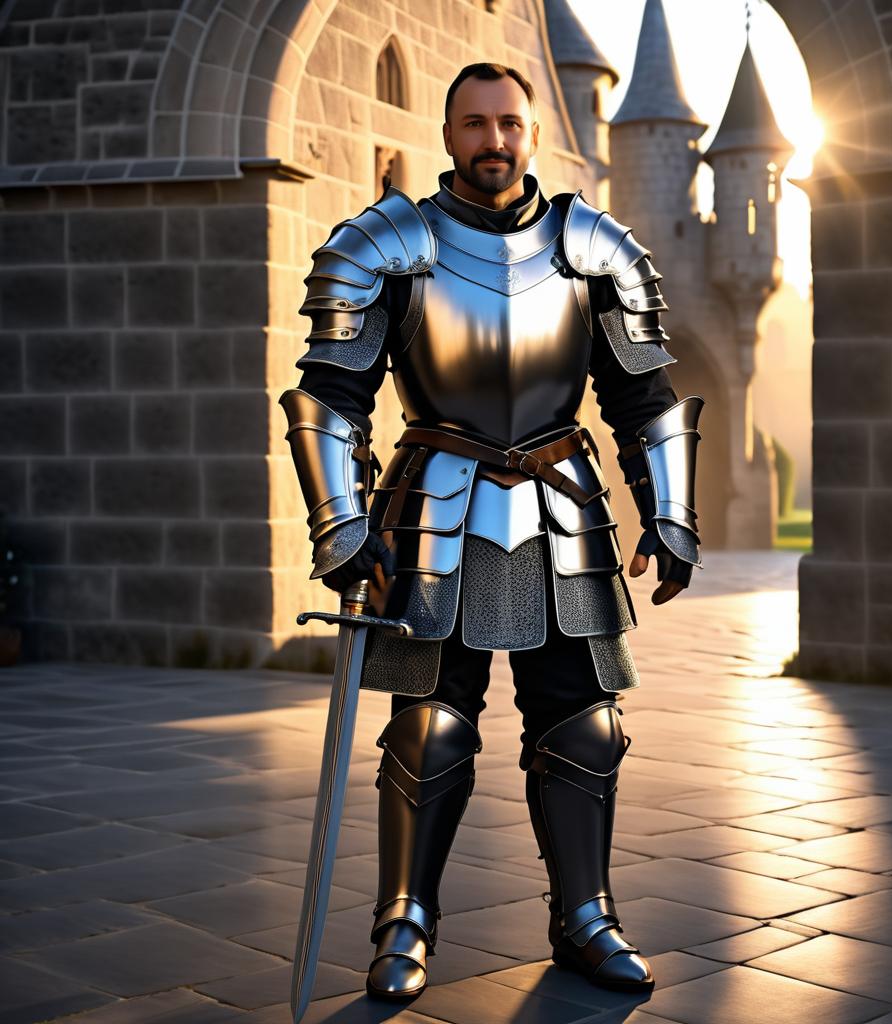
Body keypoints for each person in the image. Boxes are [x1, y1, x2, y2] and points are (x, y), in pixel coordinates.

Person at [280, 62, 703, 1001]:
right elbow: (330, 396)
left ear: (532, 133)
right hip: (432, 508)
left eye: (508, 122)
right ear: (449, 135)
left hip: (564, 508)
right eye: (474, 123)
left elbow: (645, 398)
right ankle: (404, 921)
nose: (493, 140)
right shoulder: (387, 242)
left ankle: (586, 916)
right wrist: (339, 521)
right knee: (427, 728)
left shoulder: (594, 245)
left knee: (587, 726)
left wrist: (670, 514)